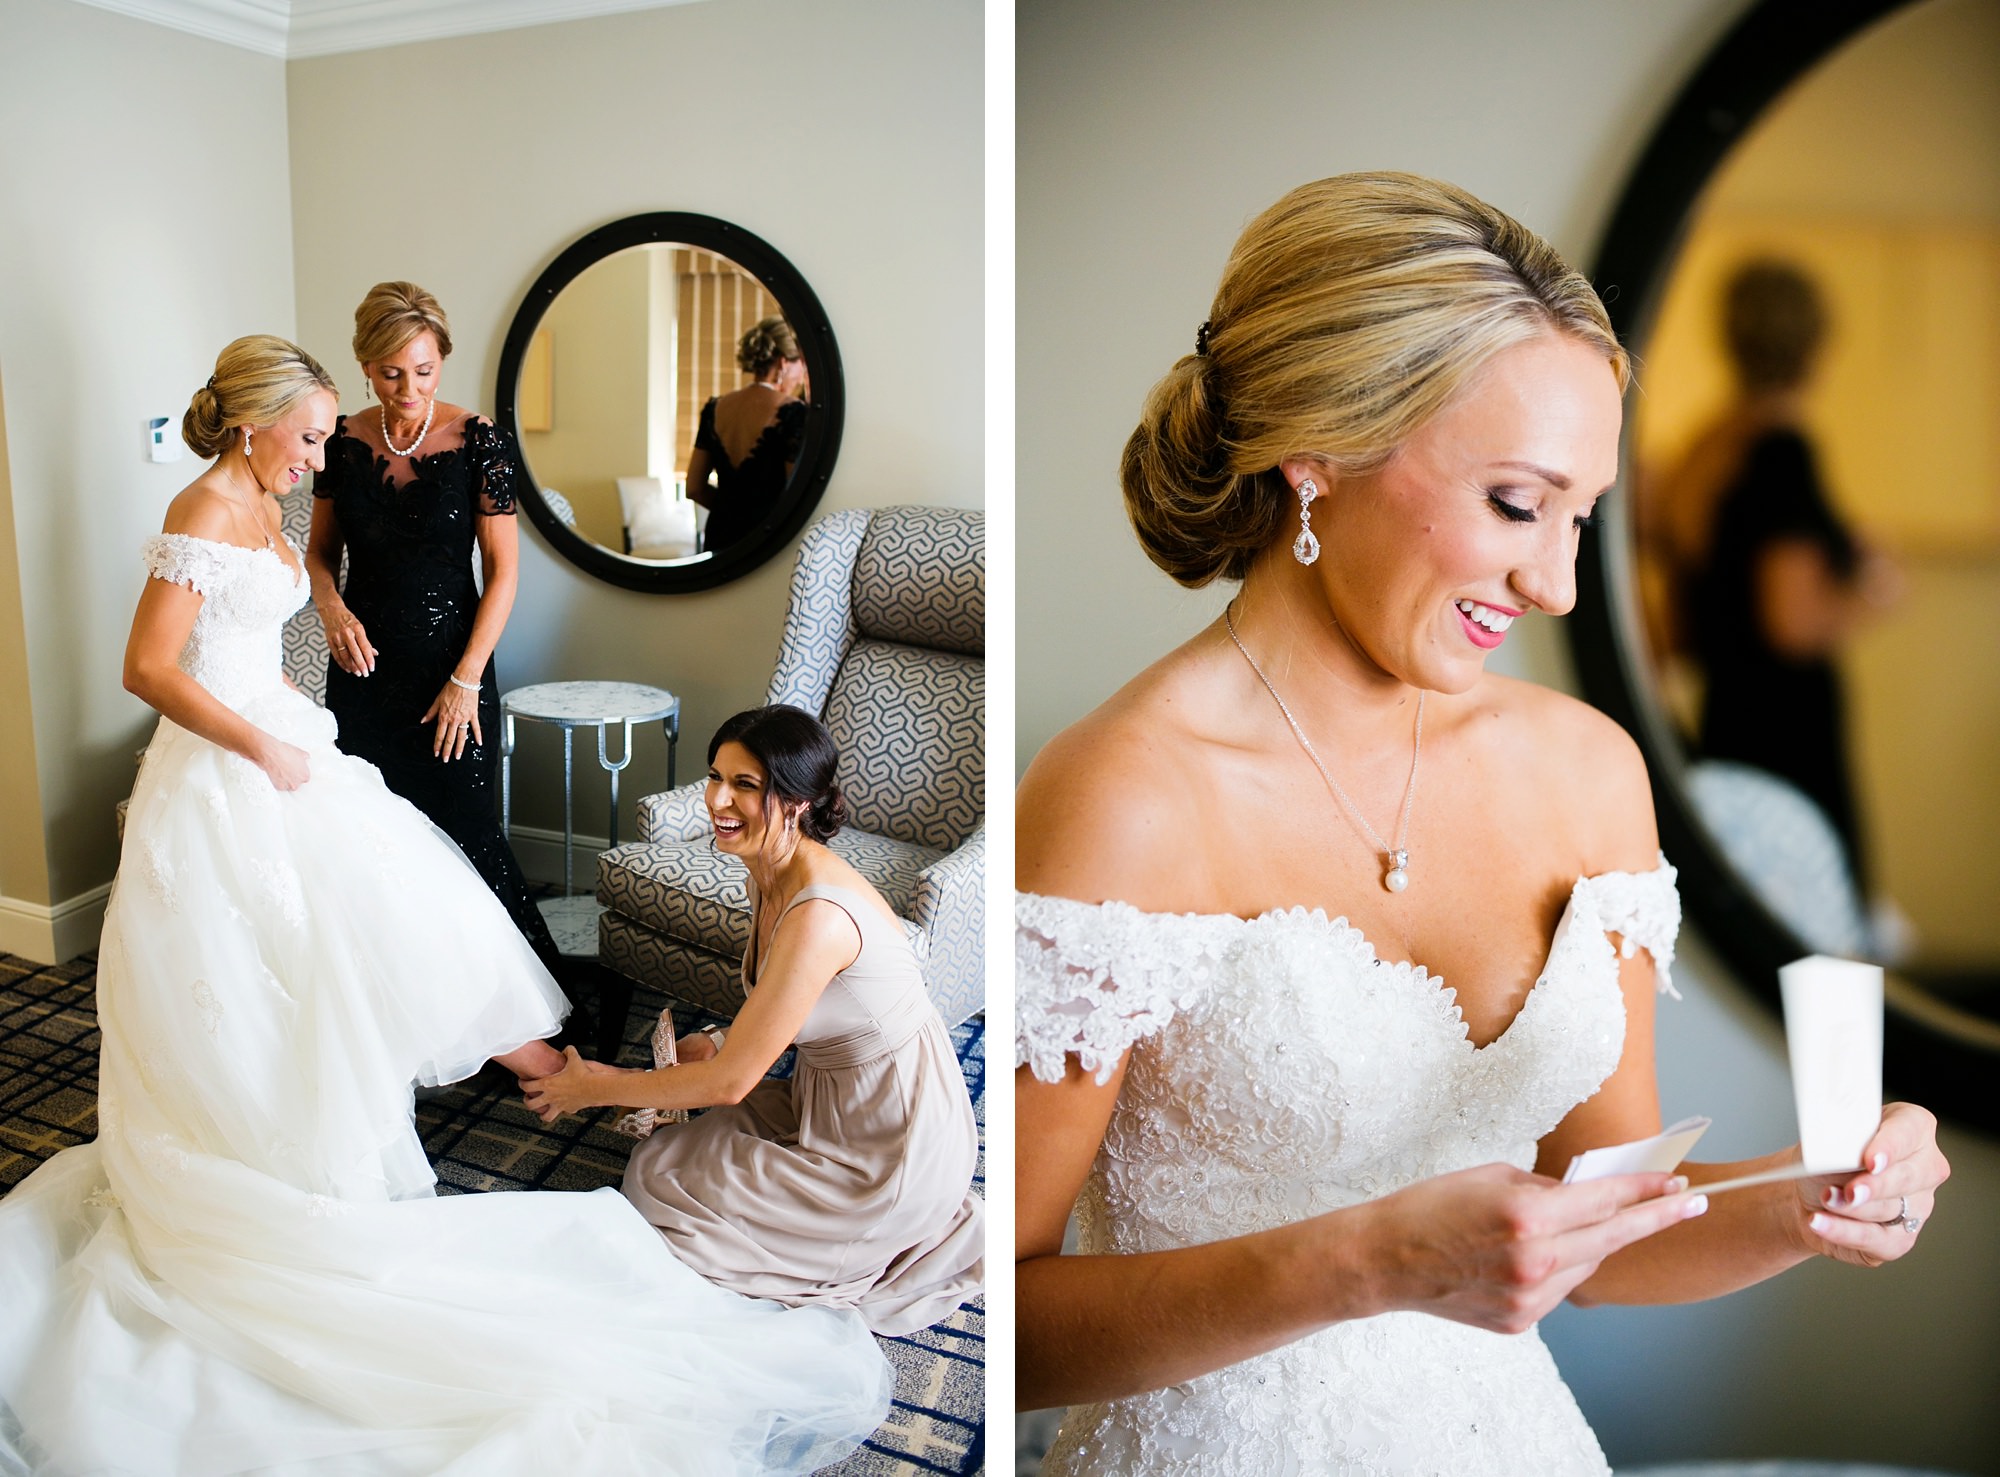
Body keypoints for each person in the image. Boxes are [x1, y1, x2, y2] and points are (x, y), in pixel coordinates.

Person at [1014, 175, 1949, 1476]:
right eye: (1517, 504)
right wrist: (1367, 1259)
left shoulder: (1587, 774)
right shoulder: (1126, 796)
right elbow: (998, 1322)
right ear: (1316, 449)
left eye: (1582, 519)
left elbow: (1604, 1244)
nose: (1559, 584)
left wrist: (1801, 1199)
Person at [0, 338, 890, 1474]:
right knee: (261, 968)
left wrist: (295, 720)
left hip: (282, 749)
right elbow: (150, 668)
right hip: (225, 779)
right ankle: (359, 1134)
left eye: (328, 435)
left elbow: (247, 649)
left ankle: (553, 1075)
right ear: (253, 425)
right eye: (311, 436)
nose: (324, 455)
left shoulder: (263, 500)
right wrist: (262, 740)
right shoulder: (205, 506)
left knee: (398, 913)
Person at [524, 705, 983, 1336]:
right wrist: (715, 1039)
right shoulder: (770, 873)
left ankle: (877, 1235)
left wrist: (592, 1087)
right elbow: (792, 1007)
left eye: (745, 786)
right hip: (831, 1103)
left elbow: (730, 1085)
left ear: (796, 801)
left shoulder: (819, 914)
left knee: (659, 1187)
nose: (716, 800)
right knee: (677, 1153)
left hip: (890, 1146)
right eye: (717, 777)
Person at [305, 281, 558, 967]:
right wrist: (330, 607)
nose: (407, 388)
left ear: (441, 359)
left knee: (469, 830)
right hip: (363, 671)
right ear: (364, 364)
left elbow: (503, 572)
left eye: (423, 370)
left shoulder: (480, 442)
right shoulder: (339, 439)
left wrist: (466, 678)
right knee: (375, 836)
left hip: (454, 667)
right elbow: (320, 554)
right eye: (390, 373)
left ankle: (518, 1007)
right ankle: (406, 998)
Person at [1669, 260, 1899, 869]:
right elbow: (1791, 622)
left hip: (1726, 719)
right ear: (1817, 343)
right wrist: (1872, 592)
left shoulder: (1704, 449)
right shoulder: (1783, 455)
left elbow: (1685, 618)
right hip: (1788, 735)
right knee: (1814, 926)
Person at [685, 316, 808, 552]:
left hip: (721, 536)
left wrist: (729, 510)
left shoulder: (715, 408)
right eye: (800, 365)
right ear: (783, 363)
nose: (801, 375)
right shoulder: (794, 412)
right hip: (769, 540)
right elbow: (796, 490)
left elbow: (694, 487)